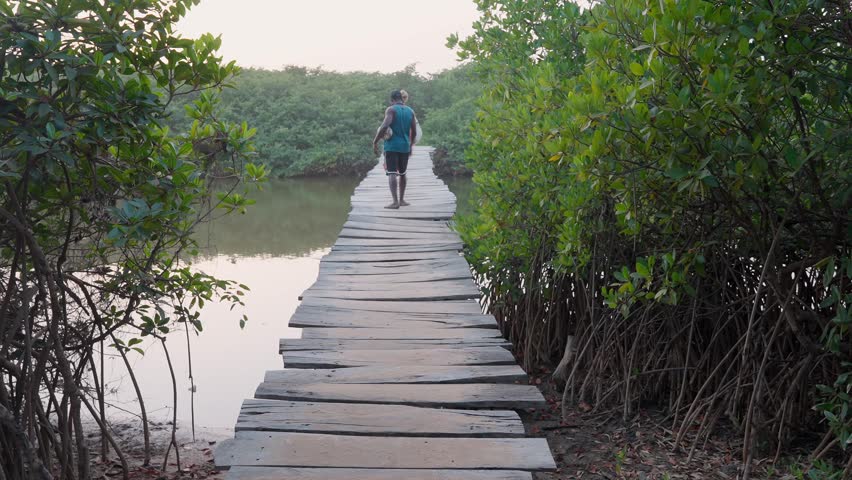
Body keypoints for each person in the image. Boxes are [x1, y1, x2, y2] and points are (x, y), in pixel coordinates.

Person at [373, 90, 417, 209]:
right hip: (404, 146)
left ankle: (395, 202)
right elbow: (414, 131)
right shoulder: (410, 111)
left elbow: (385, 126)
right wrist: (411, 145)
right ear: (402, 99)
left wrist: (375, 141)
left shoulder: (391, 110)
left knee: (392, 172)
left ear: (392, 100)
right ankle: (402, 200)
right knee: (402, 173)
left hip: (392, 146)